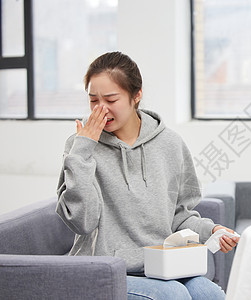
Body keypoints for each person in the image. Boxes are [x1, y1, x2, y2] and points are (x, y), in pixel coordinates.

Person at [56, 51, 238, 299]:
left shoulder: (170, 144)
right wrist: (81, 152)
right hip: (103, 269)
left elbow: (179, 215)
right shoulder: (79, 147)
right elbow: (82, 221)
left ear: (136, 95)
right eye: (93, 100)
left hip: (160, 267)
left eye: (111, 99)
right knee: (173, 295)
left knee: (210, 294)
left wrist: (212, 230)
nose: (101, 110)